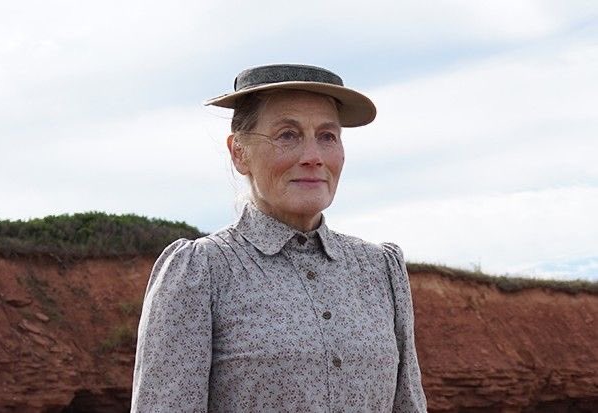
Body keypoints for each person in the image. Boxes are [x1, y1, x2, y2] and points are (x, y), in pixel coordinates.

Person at [131, 64, 427, 412]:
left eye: (328, 136)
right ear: (239, 153)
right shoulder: (200, 272)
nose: (313, 157)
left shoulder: (380, 270)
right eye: (287, 135)